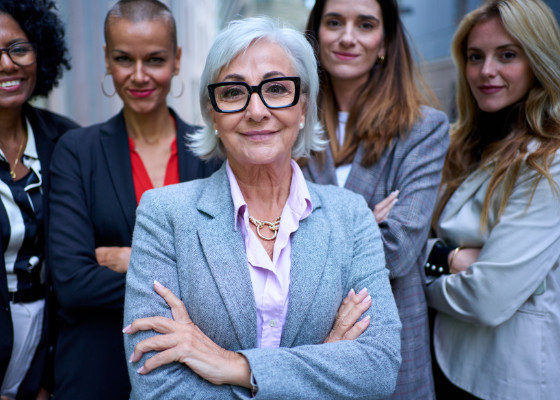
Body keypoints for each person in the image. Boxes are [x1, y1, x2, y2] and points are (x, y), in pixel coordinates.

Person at [122, 16, 401, 399]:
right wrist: (324, 364)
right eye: (234, 93)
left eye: (276, 88)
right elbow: (157, 386)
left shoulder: (351, 215)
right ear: (213, 113)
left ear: (303, 106)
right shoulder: (165, 214)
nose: (257, 110)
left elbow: (379, 369)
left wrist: (235, 367)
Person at [47, 0, 218, 398]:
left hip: (190, 378)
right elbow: (73, 284)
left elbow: (231, 277)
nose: (139, 76)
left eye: (155, 60)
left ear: (176, 60)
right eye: (124, 59)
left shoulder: (212, 155)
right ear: (107, 59)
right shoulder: (77, 152)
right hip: (95, 372)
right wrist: (187, 278)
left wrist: (131, 259)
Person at [303, 0, 449, 398]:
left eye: (365, 24)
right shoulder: (287, 120)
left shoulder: (423, 130)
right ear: (316, 35)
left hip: (390, 352)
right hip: (304, 345)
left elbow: (399, 250)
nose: (347, 37)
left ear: (384, 41)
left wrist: (307, 231)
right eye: (334, 22)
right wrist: (366, 219)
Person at [425, 0, 560, 398]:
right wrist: (450, 256)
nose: (486, 71)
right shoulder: (460, 145)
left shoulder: (550, 161)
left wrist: (424, 266)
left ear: (538, 59)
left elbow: (487, 298)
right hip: (448, 360)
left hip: (506, 379)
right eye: (475, 56)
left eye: (507, 55)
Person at [0, 0, 78, 399]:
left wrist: (50, 380)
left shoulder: (69, 143)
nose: (6, 64)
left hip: (48, 363)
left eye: (19, 48)